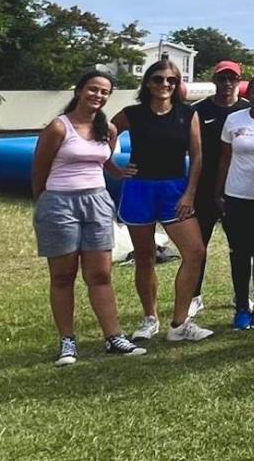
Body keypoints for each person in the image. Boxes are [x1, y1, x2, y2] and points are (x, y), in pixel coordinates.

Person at [32, 70, 147, 365]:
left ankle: (113, 337)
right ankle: (67, 342)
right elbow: (39, 170)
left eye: (104, 92)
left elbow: (101, 158)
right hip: (59, 204)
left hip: (96, 202)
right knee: (62, 276)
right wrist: (44, 204)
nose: (98, 95)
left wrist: (118, 173)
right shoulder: (59, 128)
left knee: (100, 275)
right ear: (79, 90)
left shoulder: (106, 129)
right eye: (93, 89)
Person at [113, 60, 213, 342]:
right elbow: (104, 134)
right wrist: (114, 169)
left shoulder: (187, 113)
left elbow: (198, 155)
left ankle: (180, 323)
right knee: (145, 258)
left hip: (174, 190)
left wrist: (190, 193)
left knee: (195, 252)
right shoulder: (132, 114)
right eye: (158, 79)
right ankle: (149, 318)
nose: (165, 85)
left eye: (171, 80)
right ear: (147, 83)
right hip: (139, 190)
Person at [215, 76, 254, 331]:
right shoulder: (234, 120)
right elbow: (225, 159)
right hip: (237, 195)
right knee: (239, 254)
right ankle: (241, 307)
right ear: (247, 94)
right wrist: (217, 192)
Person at [189, 60, 249, 318]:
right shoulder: (198, 110)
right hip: (204, 186)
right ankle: (194, 295)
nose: (226, 84)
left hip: (238, 186)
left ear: (239, 81)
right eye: (222, 79)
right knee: (198, 245)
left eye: (231, 79)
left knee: (241, 245)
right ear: (214, 81)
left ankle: (241, 294)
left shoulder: (248, 109)